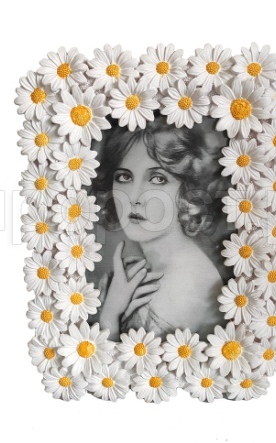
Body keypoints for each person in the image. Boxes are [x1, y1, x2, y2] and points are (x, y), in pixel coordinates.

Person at [86, 115, 234, 340]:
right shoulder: (139, 271)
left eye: (157, 179)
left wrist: (109, 319)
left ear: (188, 193)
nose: (134, 197)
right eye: (124, 177)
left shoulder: (187, 286)